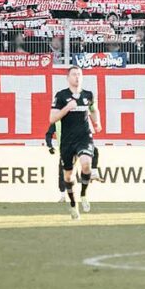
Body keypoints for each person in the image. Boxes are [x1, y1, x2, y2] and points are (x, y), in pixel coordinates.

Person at [46, 65, 98, 219]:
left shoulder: (88, 95)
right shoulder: (61, 96)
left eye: (79, 74)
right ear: (68, 78)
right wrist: (67, 108)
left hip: (84, 137)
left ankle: (83, 194)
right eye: (74, 74)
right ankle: (73, 204)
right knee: (68, 177)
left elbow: (93, 109)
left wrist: (97, 122)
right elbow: (52, 118)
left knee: (86, 163)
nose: (77, 77)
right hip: (67, 141)